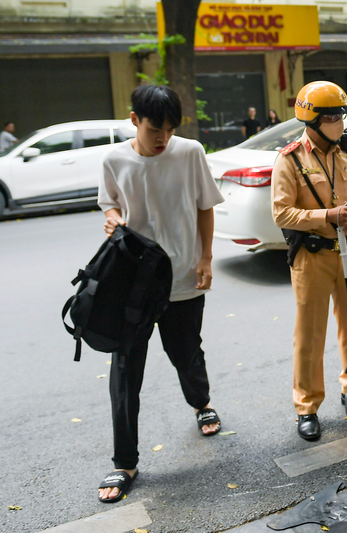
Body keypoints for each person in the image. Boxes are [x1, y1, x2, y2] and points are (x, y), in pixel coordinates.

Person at [96, 84, 225, 503]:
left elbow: (205, 206)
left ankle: (201, 401)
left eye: (170, 129)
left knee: (186, 351)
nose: (163, 138)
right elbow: (109, 204)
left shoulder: (189, 153)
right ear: (135, 120)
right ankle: (125, 462)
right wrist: (114, 218)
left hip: (183, 276)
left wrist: (206, 258)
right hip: (131, 284)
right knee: (125, 371)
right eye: (155, 128)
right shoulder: (114, 158)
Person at [271, 81, 347, 440]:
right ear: (312, 118)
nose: (339, 123)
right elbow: (282, 213)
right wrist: (328, 216)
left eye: (341, 115)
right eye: (332, 116)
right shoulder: (290, 159)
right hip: (313, 257)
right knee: (310, 335)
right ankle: (307, 406)